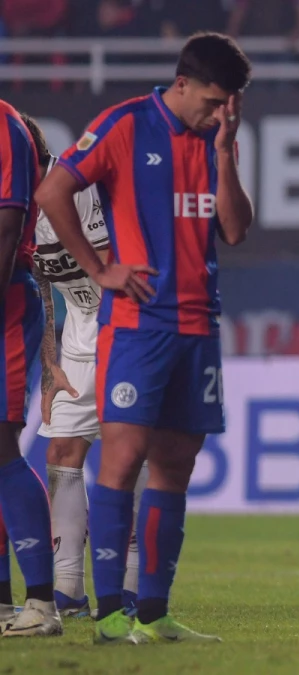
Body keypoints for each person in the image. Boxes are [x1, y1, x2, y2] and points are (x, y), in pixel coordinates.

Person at [35, 31, 253, 645]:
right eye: (213, 101)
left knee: (176, 468)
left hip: (198, 324)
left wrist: (229, 149)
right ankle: (109, 617)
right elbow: (54, 192)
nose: (220, 113)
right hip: (138, 325)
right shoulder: (126, 125)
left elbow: (234, 230)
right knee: (123, 461)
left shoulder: (216, 139)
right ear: (182, 83)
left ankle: (154, 614)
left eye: (229, 105)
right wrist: (99, 269)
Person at [23, 113, 149, 621]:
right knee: (64, 448)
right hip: (79, 326)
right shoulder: (18, 202)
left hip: (122, 322)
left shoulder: (72, 186)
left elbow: (107, 255)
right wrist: (50, 363)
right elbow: (44, 285)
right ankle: (69, 587)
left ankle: (130, 586)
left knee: (126, 451)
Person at [0, 101, 60, 639]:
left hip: (6, 310)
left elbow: (7, 230)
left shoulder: (5, 127)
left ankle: (42, 602)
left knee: (1, 446)